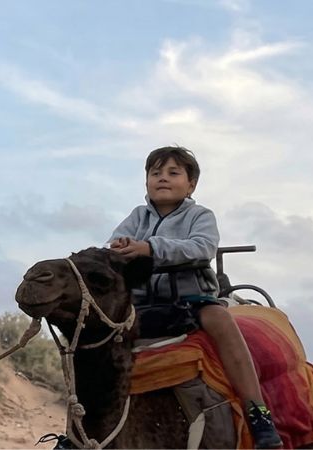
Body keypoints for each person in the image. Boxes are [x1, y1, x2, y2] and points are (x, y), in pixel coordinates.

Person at [109, 146, 282, 449]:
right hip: (141, 303)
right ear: (146, 181)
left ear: (191, 185)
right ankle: (82, 425)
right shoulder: (137, 216)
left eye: (173, 173)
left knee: (220, 318)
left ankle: (257, 411)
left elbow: (202, 248)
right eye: (155, 173)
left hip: (190, 300)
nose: (163, 178)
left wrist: (150, 248)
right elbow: (113, 246)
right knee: (92, 334)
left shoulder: (200, 216)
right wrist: (120, 246)